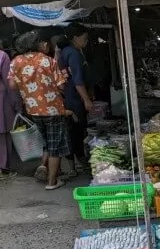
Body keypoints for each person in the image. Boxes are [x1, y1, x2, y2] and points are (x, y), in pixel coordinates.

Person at [8, 30, 69, 190]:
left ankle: (44, 168)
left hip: (33, 109)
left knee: (45, 143)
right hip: (53, 109)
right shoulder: (48, 61)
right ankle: (52, 182)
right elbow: (61, 85)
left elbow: (12, 85)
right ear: (37, 44)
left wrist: (27, 86)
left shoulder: (16, 61)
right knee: (55, 145)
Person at [58, 23, 92, 171]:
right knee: (77, 130)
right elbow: (78, 80)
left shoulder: (65, 51)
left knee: (71, 131)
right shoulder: (73, 53)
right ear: (75, 38)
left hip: (67, 96)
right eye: (84, 38)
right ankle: (80, 161)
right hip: (74, 97)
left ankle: (73, 166)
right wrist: (86, 100)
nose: (86, 41)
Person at [0, 43, 20, 179]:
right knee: (3, 136)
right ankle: (3, 169)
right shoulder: (2, 56)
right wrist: (17, 105)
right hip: (1, 100)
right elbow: (10, 84)